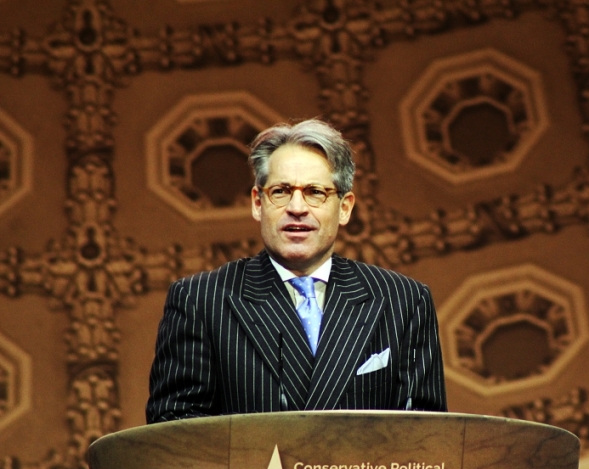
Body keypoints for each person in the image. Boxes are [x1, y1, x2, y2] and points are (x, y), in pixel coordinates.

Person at [146, 119, 447, 422]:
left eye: (315, 192)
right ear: (257, 203)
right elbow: (174, 432)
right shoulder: (201, 300)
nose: (297, 207)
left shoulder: (404, 301)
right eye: (281, 191)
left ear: (345, 207)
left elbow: (426, 439)